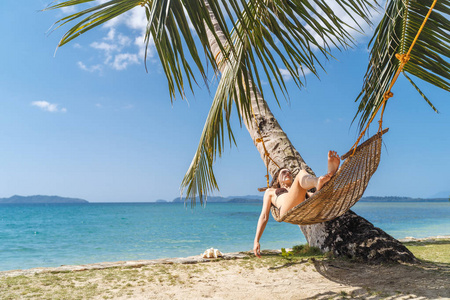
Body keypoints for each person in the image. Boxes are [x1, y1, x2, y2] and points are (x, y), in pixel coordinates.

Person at [253, 150, 340, 258]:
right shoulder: (270, 191)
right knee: (301, 173)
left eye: (289, 172)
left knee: (311, 184)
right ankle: (318, 180)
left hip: (305, 208)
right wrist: (256, 240)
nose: (288, 173)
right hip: (286, 210)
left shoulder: (301, 191)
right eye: (283, 173)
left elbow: (319, 198)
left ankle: (330, 174)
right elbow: (264, 216)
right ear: (278, 180)